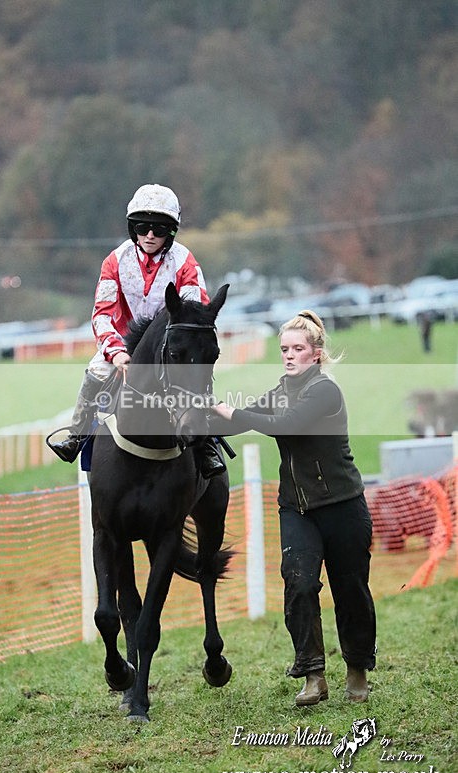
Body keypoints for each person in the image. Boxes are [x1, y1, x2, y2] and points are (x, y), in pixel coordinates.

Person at [211, 310, 376, 705]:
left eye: (297, 349)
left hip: (342, 506)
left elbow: (285, 424)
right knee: (299, 585)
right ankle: (313, 676)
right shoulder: (280, 390)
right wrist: (203, 409)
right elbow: (239, 424)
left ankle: (356, 670)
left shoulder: (324, 391)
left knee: (350, 590)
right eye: (284, 349)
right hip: (296, 509)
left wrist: (233, 412)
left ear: (316, 354)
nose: (289, 355)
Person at [48, 183, 225, 477]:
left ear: (170, 231)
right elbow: (101, 315)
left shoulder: (185, 261)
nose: (150, 235)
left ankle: (204, 446)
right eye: (143, 227)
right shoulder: (114, 261)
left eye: (158, 228)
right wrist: (117, 354)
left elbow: (194, 310)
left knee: (195, 371)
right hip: (123, 344)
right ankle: (77, 435)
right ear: (134, 229)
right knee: (95, 374)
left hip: (170, 343)